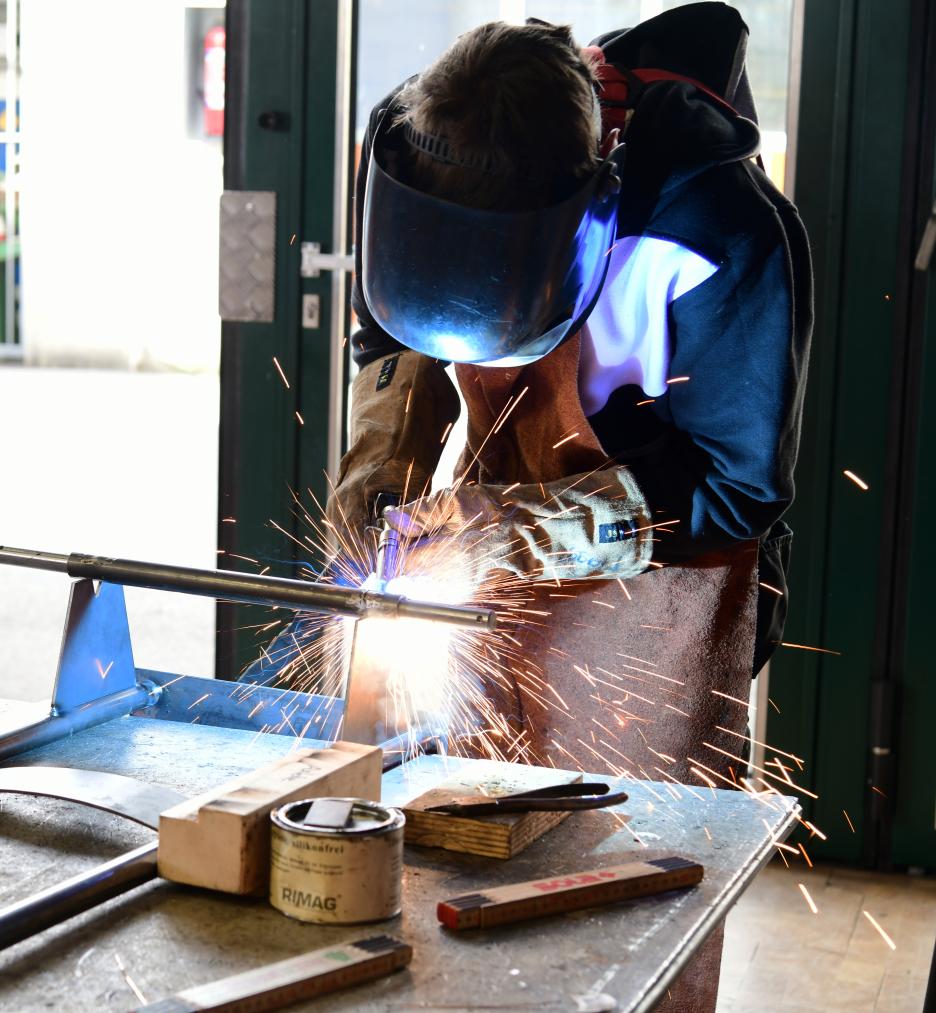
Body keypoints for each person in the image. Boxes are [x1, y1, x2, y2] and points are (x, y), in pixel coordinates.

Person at [326, 6, 812, 1009]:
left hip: (666, 579)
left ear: (587, 221)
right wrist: (376, 486)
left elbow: (736, 488)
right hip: (501, 532)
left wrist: (526, 531)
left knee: (632, 883)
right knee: (467, 845)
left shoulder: (719, 234)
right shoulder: (411, 158)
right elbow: (392, 335)